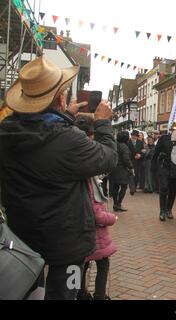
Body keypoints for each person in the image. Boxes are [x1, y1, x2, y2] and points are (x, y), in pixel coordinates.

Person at [0, 56, 117, 300]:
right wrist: (104, 123)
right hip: (68, 243)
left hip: (22, 235)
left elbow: (46, 137)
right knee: (67, 292)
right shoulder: (68, 140)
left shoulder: (6, 133)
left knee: (29, 290)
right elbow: (107, 158)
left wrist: (67, 118)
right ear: (61, 99)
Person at [74, 115, 118, 301]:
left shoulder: (72, 161)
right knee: (101, 263)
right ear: (90, 136)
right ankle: (99, 295)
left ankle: (79, 292)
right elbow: (96, 213)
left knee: (79, 265)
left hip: (75, 230)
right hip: (93, 233)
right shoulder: (87, 175)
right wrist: (112, 218)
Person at [152, 118, 176, 221]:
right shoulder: (164, 138)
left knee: (173, 190)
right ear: (172, 129)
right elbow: (155, 153)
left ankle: (169, 209)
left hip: (175, 168)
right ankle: (162, 211)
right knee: (164, 188)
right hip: (164, 167)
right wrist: (153, 168)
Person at [109, 131, 134, 212]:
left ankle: (115, 204)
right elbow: (126, 159)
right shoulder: (124, 147)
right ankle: (118, 204)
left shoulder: (114, 144)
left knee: (115, 187)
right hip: (122, 169)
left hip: (114, 168)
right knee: (124, 187)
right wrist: (131, 166)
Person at [128, 130, 145, 195]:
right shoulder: (128, 142)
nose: (134, 137)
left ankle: (134, 187)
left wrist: (140, 155)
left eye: (135, 136)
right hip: (131, 161)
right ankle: (132, 188)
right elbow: (126, 152)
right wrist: (132, 156)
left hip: (138, 162)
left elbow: (143, 151)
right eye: (133, 135)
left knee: (136, 175)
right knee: (131, 175)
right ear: (131, 136)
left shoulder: (140, 142)